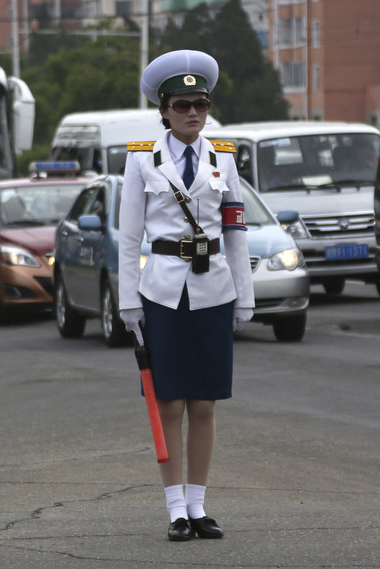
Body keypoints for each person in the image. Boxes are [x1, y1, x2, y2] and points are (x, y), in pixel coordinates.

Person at [118, 49, 255, 542]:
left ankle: (199, 506)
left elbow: (236, 231)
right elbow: (129, 237)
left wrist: (245, 296)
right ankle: (175, 509)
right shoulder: (140, 158)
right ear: (163, 109)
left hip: (214, 288)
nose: (193, 112)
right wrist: (127, 300)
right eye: (182, 104)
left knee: (205, 404)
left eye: (201, 103)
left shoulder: (224, 156)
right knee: (168, 404)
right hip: (161, 291)